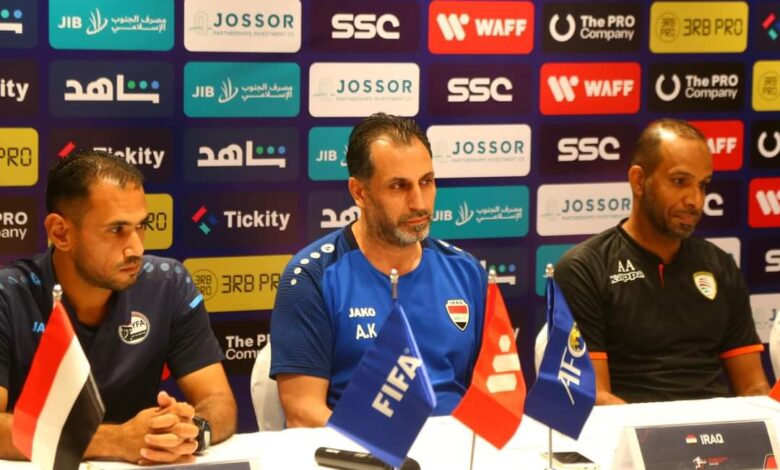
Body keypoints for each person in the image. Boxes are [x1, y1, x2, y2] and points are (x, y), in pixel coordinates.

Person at [0, 150, 237, 463]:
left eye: (141, 226)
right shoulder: (7, 296)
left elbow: (219, 400)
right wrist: (114, 440)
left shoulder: (168, 283)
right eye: (116, 230)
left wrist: (189, 431)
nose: (136, 248)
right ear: (61, 233)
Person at [269, 113, 487, 427]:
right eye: (398, 186)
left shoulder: (467, 272)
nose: (419, 202)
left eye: (426, 182)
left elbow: (494, 393)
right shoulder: (312, 277)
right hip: (364, 448)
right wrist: (387, 448)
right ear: (359, 192)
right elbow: (303, 412)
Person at [555, 118, 770, 405]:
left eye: (703, 185)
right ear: (639, 181)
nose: (695, 201)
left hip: (717, 429)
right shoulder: (584, 269)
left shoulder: (720, 266)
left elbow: (754, 388)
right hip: (628, 429)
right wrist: (662, 431)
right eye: (680, 182)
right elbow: (596, 397)